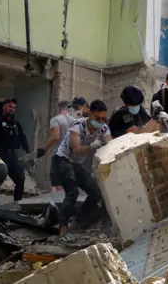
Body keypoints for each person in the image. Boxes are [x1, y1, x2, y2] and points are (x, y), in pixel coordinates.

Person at [52, 100, 112, 235]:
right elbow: (77, 150)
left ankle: (78, 221)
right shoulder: (77, 125)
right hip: (62, 159)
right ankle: (62, 229)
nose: (101, 121)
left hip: (76, 164)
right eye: (97, 118)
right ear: (90, 114)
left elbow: (110, 144)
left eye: (103, 118)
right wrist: (91, 147)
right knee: (72, 191)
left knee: (96, 192)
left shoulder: (103, 128)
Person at [0, 98, 30, 202]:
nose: (12, 109)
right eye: (10, 106)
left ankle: (17, 204)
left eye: (14, 107)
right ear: (4, 107)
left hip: (12, 156)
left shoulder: (15, 122)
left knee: (20, 179)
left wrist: (28, 151)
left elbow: (22, 136)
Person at [36, 100, 74, 191]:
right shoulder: (75, 121)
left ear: (59, 108)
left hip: (59, 157)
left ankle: (61, 204)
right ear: (69, 109)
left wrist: (44, 149)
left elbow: (55, 137)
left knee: (60, 187)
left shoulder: (56, 119)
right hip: (73, 158)